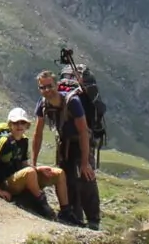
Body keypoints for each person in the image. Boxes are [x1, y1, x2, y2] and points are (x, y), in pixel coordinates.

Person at [31, 69, 100, 229]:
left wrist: (85, 162)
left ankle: (94, 221)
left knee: (86, 177)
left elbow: (83, 132)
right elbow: (38, 134)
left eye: (50, 86)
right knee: (67, 180)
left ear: (57, 85)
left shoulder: (72, 102)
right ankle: (74, 218)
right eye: (43, 87)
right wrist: (33, 163)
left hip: (81, 142)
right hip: (64, 144)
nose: (47, 90)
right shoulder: (42, 104)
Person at [0, 107, 67, 215]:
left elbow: (24, 164)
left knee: (58, 173)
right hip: (5, 182)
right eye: (16, 122)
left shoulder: (24, 141)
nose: (19, 126)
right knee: (30, 172)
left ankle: (65, 211)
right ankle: (42, 203)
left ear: (27, 125)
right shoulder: (4, 141)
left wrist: (38, 169)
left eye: (23, 122)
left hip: (18, 178)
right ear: (10, 124)